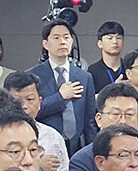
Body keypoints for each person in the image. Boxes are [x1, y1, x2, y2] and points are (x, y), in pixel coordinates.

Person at [29, 19, 97, 152]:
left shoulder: (84, 77)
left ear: (71, 41)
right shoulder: (33, 76)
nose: (62, 41)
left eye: (66, 37)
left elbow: (89, 120)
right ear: (45, 44)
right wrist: (60, 97)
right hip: (45, 145)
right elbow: (30, 111)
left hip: (78, 146)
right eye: (56, 37)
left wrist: (92, 149)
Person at [3, 71, 70, 171]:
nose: (24, 106)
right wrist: (38, 165)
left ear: (39, 102)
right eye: (17, 101)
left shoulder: (53, 137)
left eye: (30, 99)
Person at [88, 20, 125, 91]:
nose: (115, 42)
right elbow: (90, 99)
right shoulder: (92, 71)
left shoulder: (130, 68)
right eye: (110, 38)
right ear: (100, 43)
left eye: (118, 38)